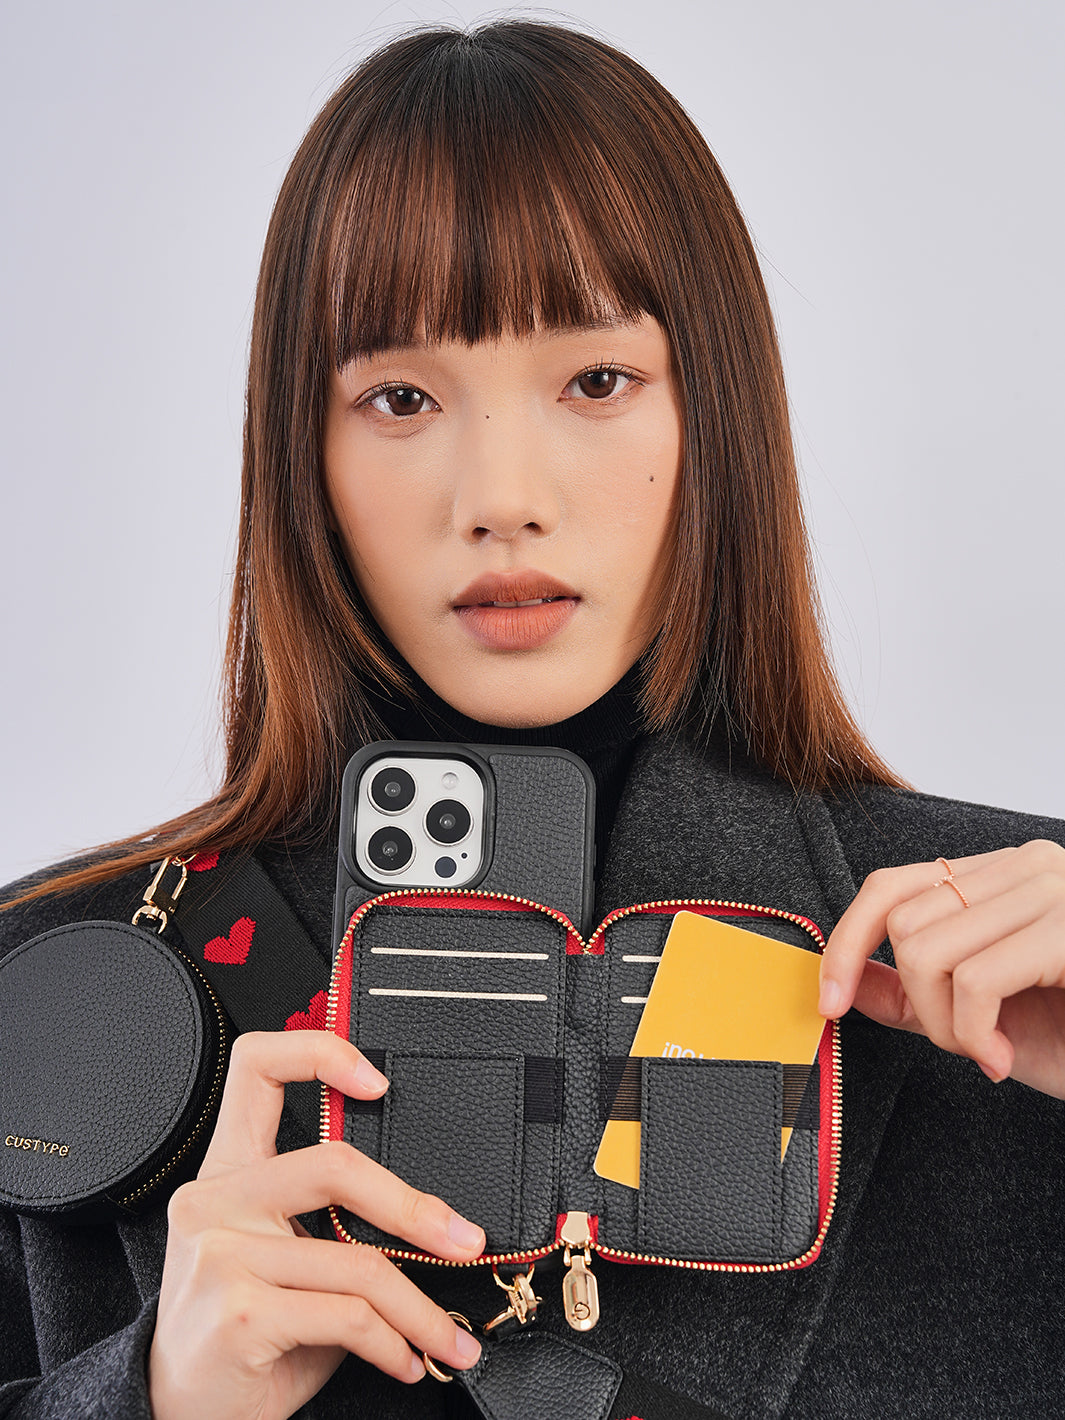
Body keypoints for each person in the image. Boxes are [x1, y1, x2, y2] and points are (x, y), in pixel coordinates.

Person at [2, 18, 1063, 1420]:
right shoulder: (46, 991)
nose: (501, 495)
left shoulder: (1022, 974)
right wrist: (151, 1400)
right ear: (301, 451)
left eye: (596, 381)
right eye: (398, 397)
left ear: (714, 416)